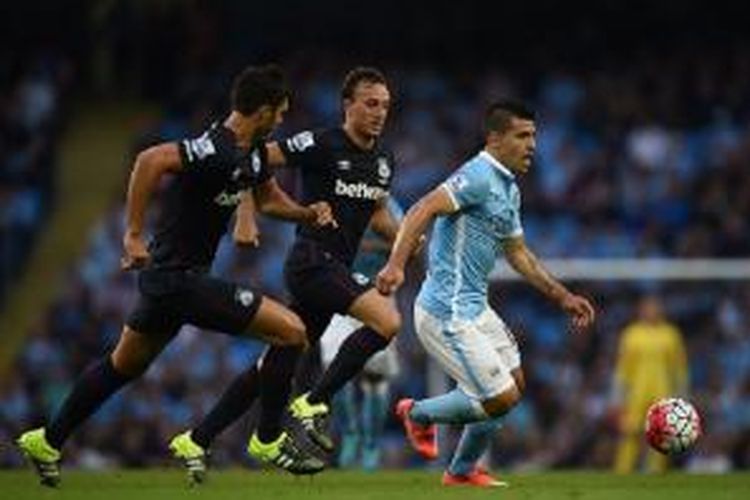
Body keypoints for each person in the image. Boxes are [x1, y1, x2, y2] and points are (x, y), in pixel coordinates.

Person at [16, 64, 336, 487]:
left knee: (122, 365)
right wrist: (132, 235)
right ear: (261, 110)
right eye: (279, 113)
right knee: (292, 332)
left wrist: (306, 213)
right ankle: (269, 439)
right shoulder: (213, 148)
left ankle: (48, 439)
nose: (281, 120)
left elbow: (270, 200)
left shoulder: (253, 153)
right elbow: (151, 159)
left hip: (168, 285)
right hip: (178, 279)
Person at [169, 67, 404, 478]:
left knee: (274, 364)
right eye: (370, 104)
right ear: (347, 105)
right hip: (312, 260)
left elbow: (379, 212)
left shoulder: (382, 160)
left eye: (385, 105)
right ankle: (315, 402)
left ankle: (198, 438)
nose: (379, 112)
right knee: (387, 320)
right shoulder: (319, 143)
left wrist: (407, 244)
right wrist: (246, 213)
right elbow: (252, 159)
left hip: (332, 271)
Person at [376, 100, 596, 487]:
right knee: (500, 398)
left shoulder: (508, 189)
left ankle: (460, 471)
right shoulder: (477, 176)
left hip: (474, 309)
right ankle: (418, 414)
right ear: (495, 138)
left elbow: (518, 254)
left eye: (534, 136)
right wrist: (397, 264)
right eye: (522, 136)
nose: (532, 145)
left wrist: (562, 296)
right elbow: (421, 209)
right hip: (446, 311)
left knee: (516, 384)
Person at [318, 196, 403, 470]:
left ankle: (371, 444)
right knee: (333, 365)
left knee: (375, 377)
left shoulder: (391, 208)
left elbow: (406, 246)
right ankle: (351, 432)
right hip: (339, 295)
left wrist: (362, 245)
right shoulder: (336, 202)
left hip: (378, 296)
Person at [612, 295, 688, 473]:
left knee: (661, 433)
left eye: (655, 307)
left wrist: (683, 394)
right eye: (648, 307)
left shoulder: (671, 334)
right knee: (630, 431)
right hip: (637, 391)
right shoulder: (631, 334)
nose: (651, 311)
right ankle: (623, 470)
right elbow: (622, 369)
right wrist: (617, 397)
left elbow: (679, 368)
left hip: (663, 390)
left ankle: (656, 471)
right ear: (640, 310)